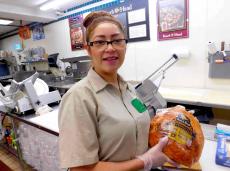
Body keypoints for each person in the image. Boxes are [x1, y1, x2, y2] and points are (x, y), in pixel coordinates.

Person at [58, 11, 176, 171]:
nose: (110, 48)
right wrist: (145, 161)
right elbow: (81, 169)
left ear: (125, 45)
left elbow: (138, 130)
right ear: (88, 49)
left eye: (117, 40)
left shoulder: (130, 90)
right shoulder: (79, 97)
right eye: (100, 42)